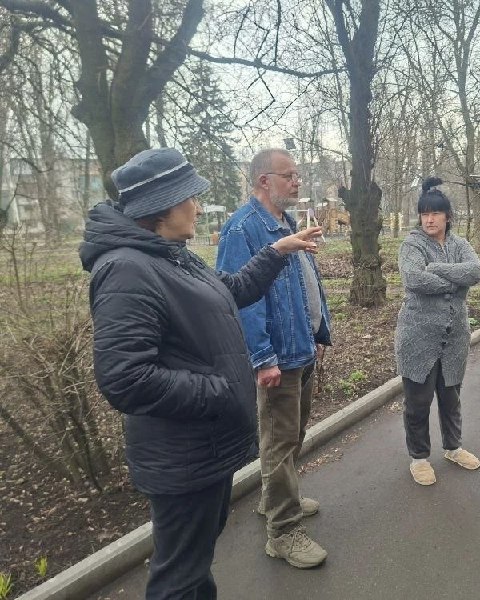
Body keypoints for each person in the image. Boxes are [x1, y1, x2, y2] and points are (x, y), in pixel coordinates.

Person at [79, 148, 321, 599]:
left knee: (194, 567)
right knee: (179, 578)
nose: (196, 206)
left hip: (202, 450)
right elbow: (124, 377)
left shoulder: (169, 254)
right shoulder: (127, 271)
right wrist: (219, 391)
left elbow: (228, 291)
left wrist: (276, 252)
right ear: (161, 207)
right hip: (181, 458)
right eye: (189, 198)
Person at [216, 148, 331, 569]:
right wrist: (263, 357)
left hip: (301, 348)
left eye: (297, 175)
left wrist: (319, 330)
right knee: (279, 442)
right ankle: (283, 532)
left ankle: (274, 499)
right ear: (264, 180)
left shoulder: (287, 222)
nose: (297, 181)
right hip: (277, 357)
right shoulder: (242, 229)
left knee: (293, 434)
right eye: (289, 176)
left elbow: (304, 284)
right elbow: (240, 299)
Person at [395, 177, 480, 486]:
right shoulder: (413, 244)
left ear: (447, 216)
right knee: (418, 401)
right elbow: (414, 279)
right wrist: (455, 283)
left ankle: (453, 447)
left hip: (454, 336)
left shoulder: (459, 244)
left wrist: (437, 270)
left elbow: (475, 271)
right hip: (418, 337)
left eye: (435, 213)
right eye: (424, 213)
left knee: (450, 396)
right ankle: (419, 458)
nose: (429, 219)